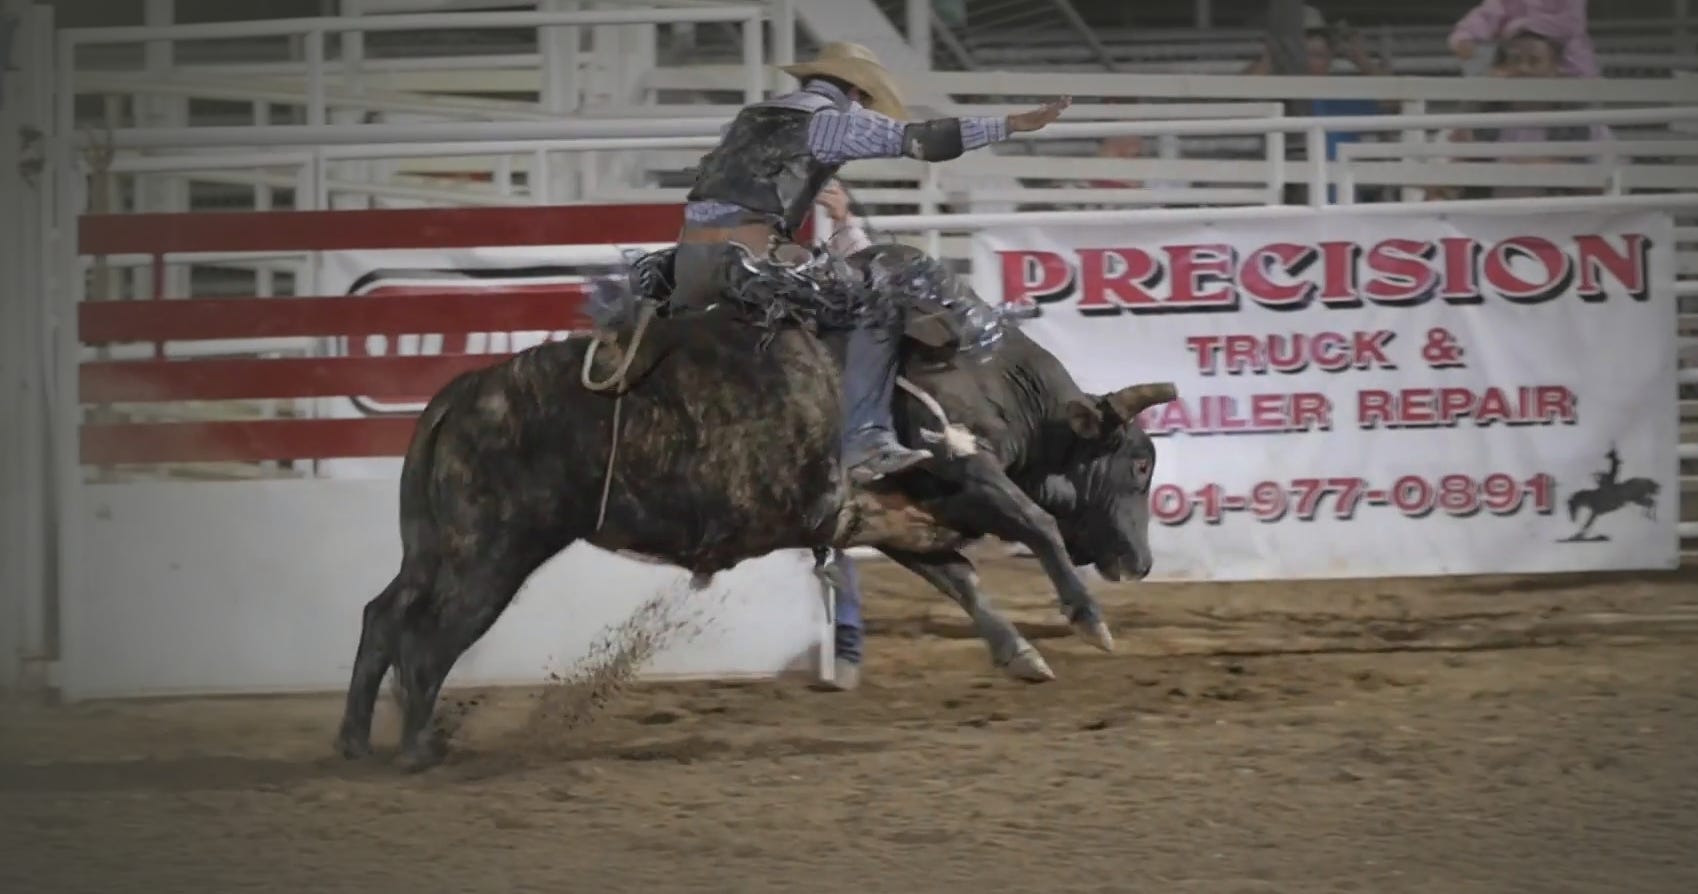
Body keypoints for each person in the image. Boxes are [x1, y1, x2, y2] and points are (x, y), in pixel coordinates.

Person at [671, 40, 1069, 484]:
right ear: (856, 92)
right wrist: (1011, 124)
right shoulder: (832, 122)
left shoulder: (750, 118)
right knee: (874, 302)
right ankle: (863, 438)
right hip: (750, 260)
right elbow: (922, 140)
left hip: (690, 261)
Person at [811, 179, 874, 692]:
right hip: (794, 399)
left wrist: (842, 220)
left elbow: (871, 276)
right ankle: (842, 644)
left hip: (819, 406)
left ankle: (845, 643)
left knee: (827, 523)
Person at [1242, 6, 1391, 203]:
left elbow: (1393, 100)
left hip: (1340, 201)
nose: (1307, 62)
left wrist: (1360, 59)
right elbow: (1241, 97)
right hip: (1285, 202)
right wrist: (1271, 56)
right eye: (1301, 55)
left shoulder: (1345, 96)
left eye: (1317, 55)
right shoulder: (1277, 95)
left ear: (1330, 59)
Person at [1449, 0, 1598, 78]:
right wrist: (1464, 36)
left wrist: (1520, 25)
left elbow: (1571, 22)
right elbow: (1488, 14)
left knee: (1580, 120)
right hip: (1515, 70)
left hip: (1569, 70)